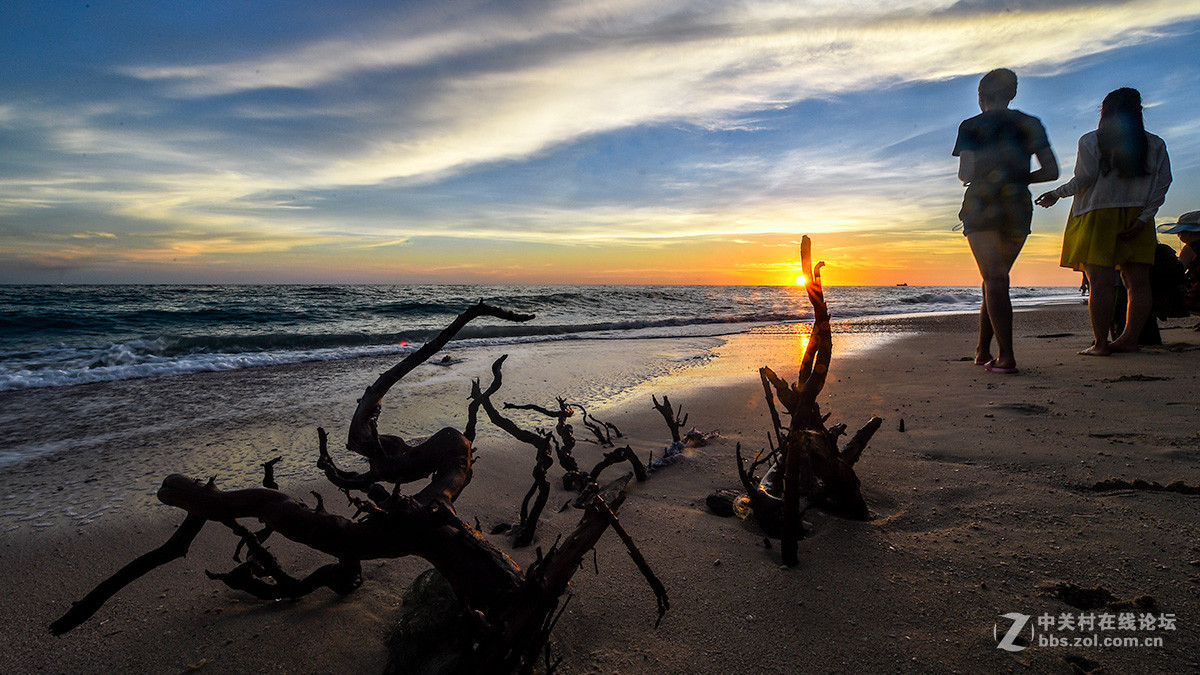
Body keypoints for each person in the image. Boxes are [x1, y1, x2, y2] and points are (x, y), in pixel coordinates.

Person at [1036, 88, 1172, 355]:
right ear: (1138, 111)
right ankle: (1130, 339)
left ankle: (1100, 343)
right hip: (1137, 216)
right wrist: (1145, 218)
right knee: (1138, 283)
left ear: (1105, 112)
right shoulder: (1154, 144)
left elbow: (1083, 179)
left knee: (1100, 283)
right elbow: (1162, 184)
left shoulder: (1091, 141)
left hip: (1096, 215)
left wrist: (1056, 193)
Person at [953, 68, 1059, 374]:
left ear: (981, 95)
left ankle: (1007, 356)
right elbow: (1051, 171)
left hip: (982, 203)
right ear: (1012, 94)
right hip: (1016, 204)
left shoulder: (971, 125)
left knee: (995, 279)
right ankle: (982, 350)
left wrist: (989, 174)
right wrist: (1017, 177)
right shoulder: (1030, 123)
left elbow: (965, 174)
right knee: (995, 279)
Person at [1157, 210, 1200, 317]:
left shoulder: (1190, 248)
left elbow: (1178, 272)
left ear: (1189, 233)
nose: (1178, 235)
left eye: (1180, 232)